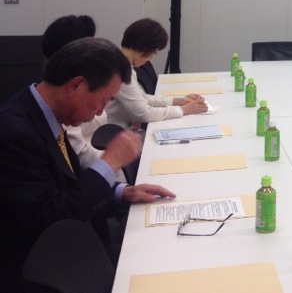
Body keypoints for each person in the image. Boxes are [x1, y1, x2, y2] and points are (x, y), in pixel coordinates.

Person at [0, 38, 175, 290]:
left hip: (78, 249)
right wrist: (109, 162)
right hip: (45, 271)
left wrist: (122, 192)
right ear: (76, 86)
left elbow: (69, 185)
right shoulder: (16, 132)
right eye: (102, 101)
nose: (100, 112)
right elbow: (52, 220)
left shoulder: (44, 114)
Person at [41, 14, 126, 179]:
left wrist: (122, 189)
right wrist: (118, 158)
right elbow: (80, 159)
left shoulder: (83, 88)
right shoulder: (63, 106)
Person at [105, 18, 207, 127]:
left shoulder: (121, 63)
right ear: (144, 46)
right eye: (154, 51)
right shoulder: (121, 70)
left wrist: (179, 101)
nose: (152, 57)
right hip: (113, 132)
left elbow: (143, 98)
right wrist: (184, 109)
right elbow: (145, 114)